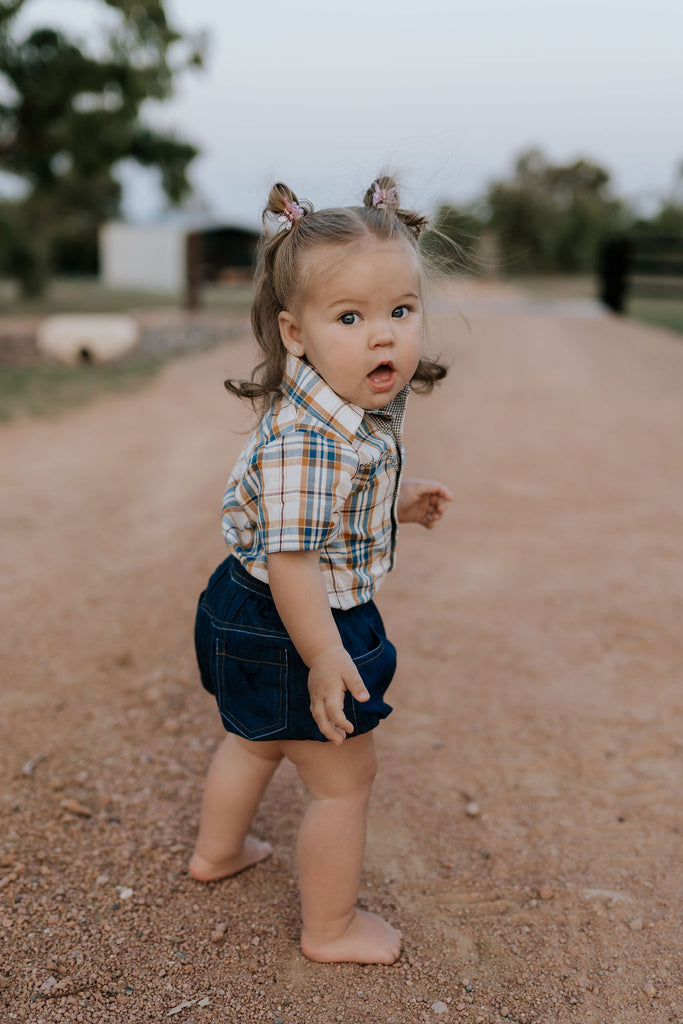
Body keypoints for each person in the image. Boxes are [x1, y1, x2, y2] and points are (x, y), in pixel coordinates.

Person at [190, 176, 452, 965]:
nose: (384, 338)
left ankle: (216, 851)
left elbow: (317, 514)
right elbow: (294, 557)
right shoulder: (313, 439)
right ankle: (330, 928)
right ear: (294, 332)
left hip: (240, 603)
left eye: (399, 312)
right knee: (342, 780)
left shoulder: (330, 410)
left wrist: (394, 502)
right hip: (295, 620)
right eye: (351, 317)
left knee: (253, 738)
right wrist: (325, 655)